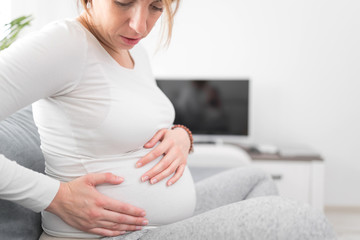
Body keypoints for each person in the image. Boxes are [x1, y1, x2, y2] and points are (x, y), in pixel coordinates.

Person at [0, 0, 336, 239]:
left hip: (155, 223)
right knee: (301, 221)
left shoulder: (135, 51)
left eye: (156, 7)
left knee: (256, 179)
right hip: (107, 235)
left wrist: (181, 136)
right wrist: (54, 196)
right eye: (123, 2)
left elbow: (135, 121)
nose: (140, 24)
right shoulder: (65, 43)